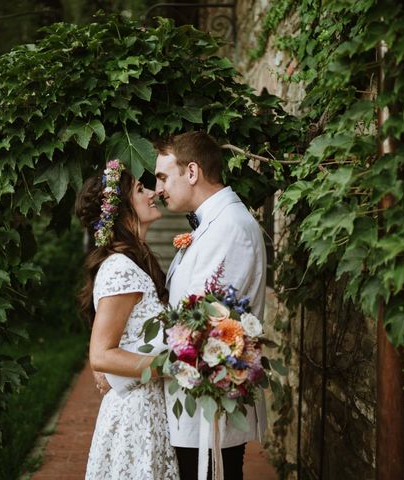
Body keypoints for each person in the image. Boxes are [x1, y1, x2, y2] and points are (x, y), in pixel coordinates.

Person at [154, 131, 268, 480]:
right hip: (194, 407)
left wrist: (126, 358)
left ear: (192, 172)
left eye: (162, 176)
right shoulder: (213, 224)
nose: (158, 188)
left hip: (210, 407)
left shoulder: (231, 227)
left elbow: (206, 324)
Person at [75, 159, 180, 480]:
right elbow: (101, 355)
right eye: (140, 189)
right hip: (136, 416)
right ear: (121, 210)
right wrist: (177, 366)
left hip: (147, 407)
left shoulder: (136, 260)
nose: (152, 193)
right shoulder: (121, 268)